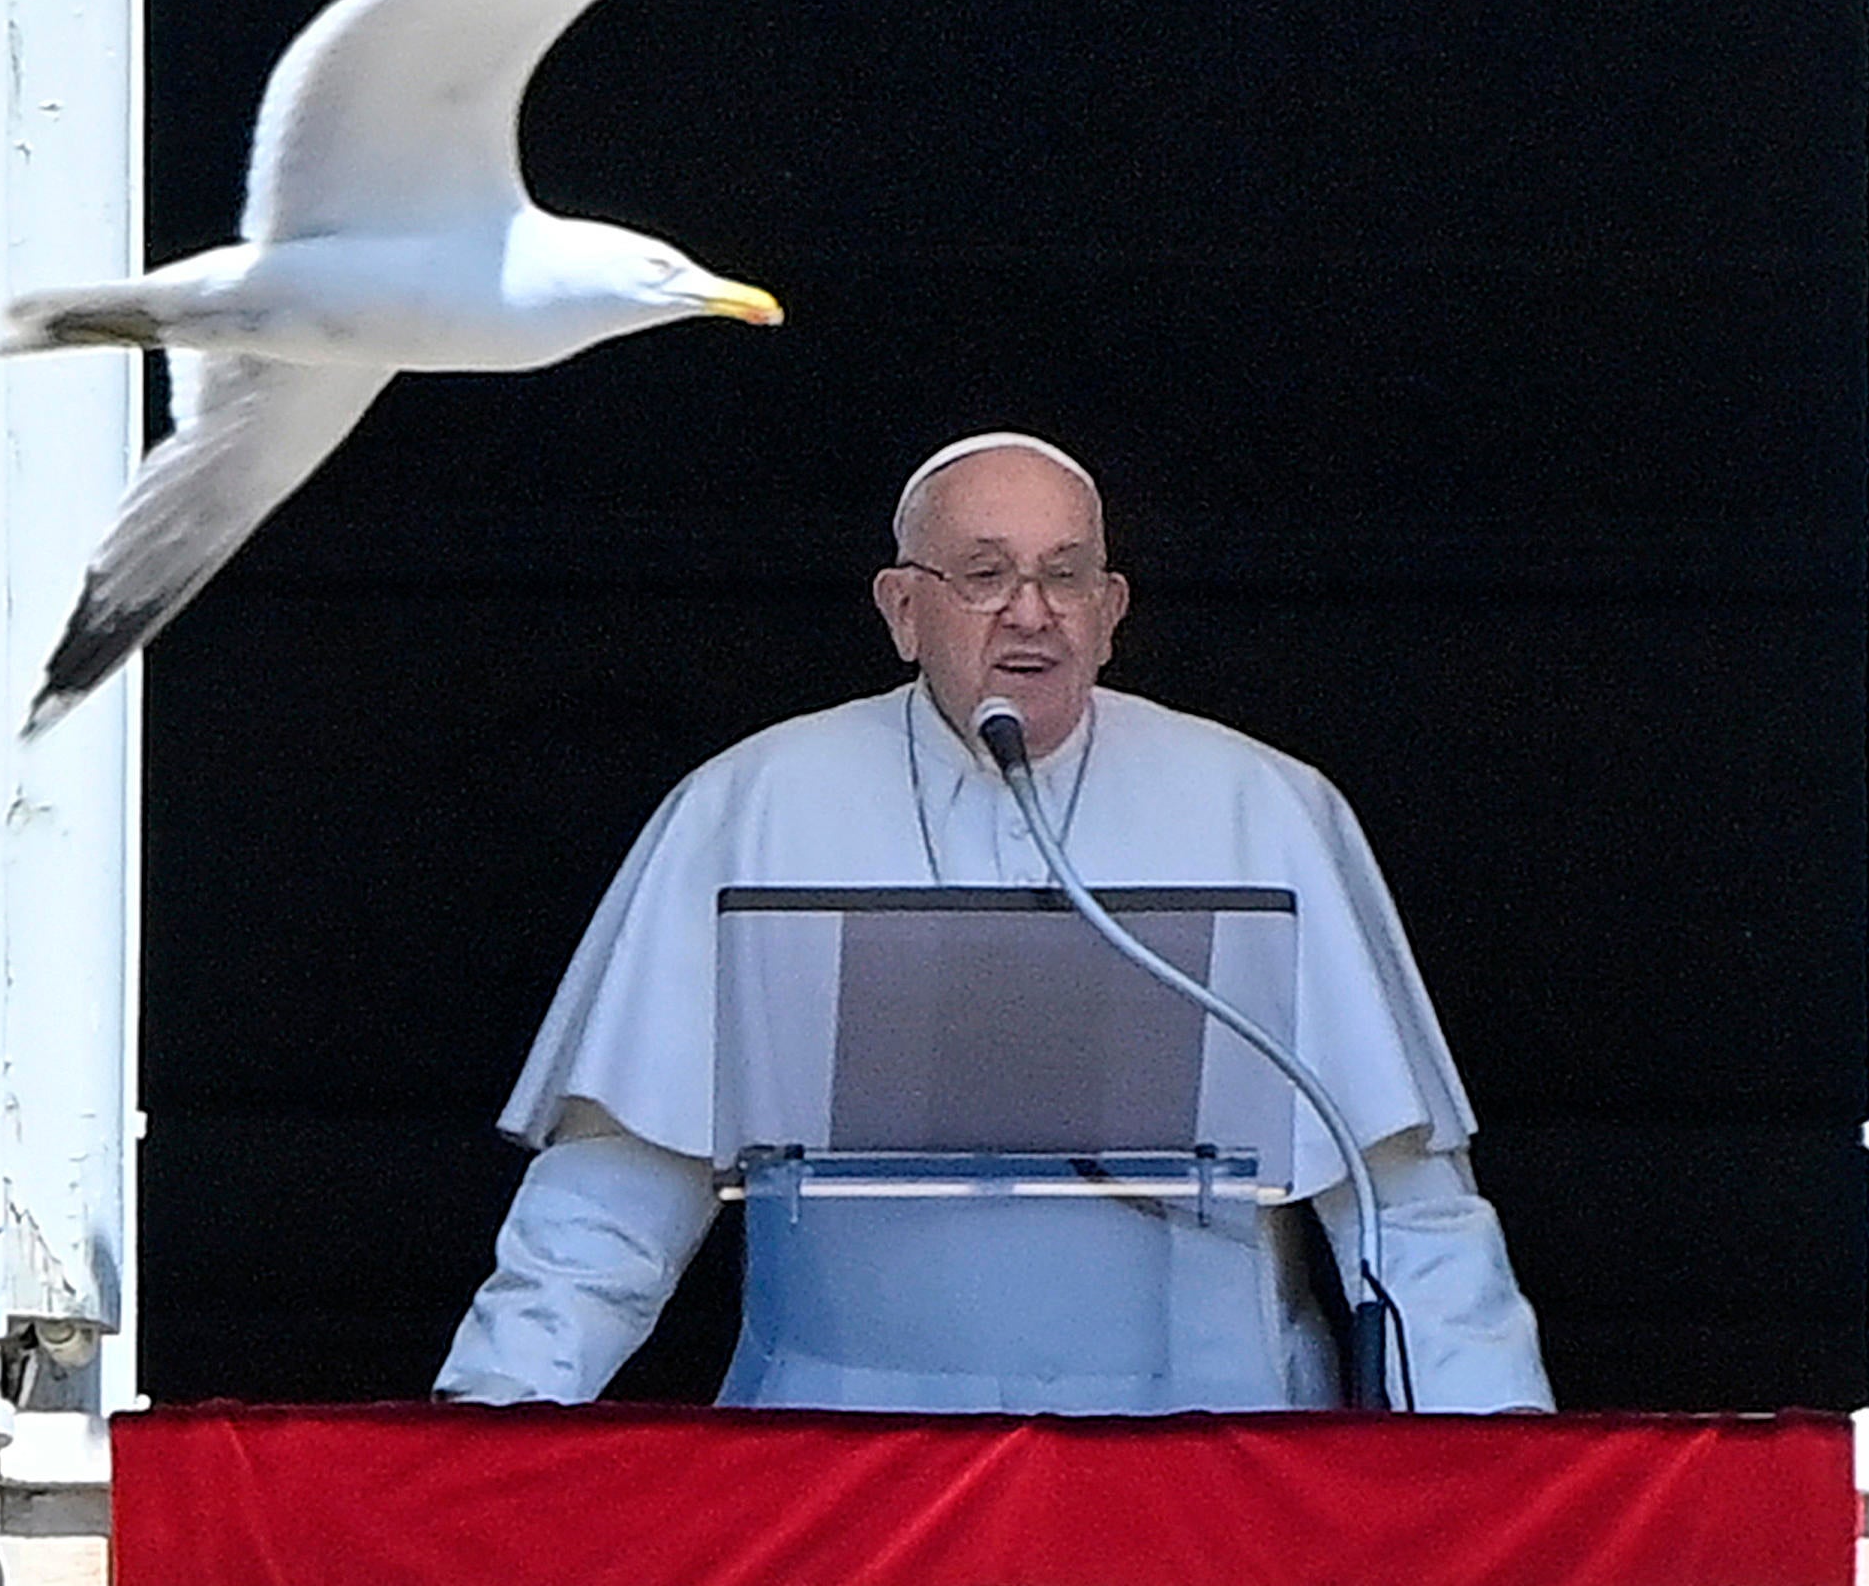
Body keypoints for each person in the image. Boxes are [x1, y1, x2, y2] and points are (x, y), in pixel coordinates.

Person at [438, 431, 1554, 1412]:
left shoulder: (1261, 805)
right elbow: (617, 1195)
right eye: (984, 575)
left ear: (1111, 612)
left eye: (1064, 575)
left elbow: (1403, 1205)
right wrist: (488, 1424)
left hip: (1208, 1442)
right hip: (851, 1439)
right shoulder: (754, 803)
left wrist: (1500, 1469)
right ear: (901, 608)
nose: (1031, 610)